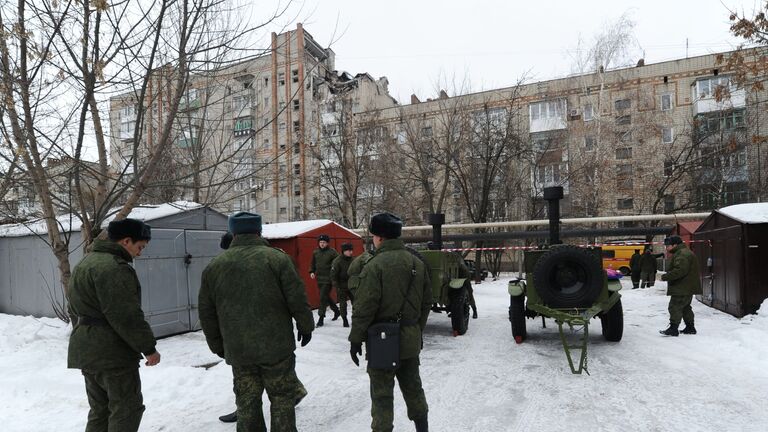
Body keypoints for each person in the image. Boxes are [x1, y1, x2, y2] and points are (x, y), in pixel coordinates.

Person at [199, 212, 315, 431]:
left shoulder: (214, 266)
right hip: (277, 348)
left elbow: (207, 312)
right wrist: (306, 325)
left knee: (247, 403)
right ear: (259, 231)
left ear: (232, 233)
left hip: (238, 350)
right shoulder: (278, 259)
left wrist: (218, 346)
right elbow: (297, 298)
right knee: (282, 399)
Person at [67, 218, 160, 432]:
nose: (140, 252)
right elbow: (126, 315)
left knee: (100, 410)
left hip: (86, 349)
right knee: (126, 409)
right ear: (126, 241)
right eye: (140, 246)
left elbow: (74, 306)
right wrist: (149, 348)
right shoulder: (114, 268)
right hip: (112, 353)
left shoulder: (85, 262)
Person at [349, 212, 431, 432]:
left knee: (382, 396)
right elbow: (426, 303)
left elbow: (364, 308)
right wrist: (415, 329)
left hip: (382, 341)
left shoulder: (374, 265)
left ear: (380, 238)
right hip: (410, 339)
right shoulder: (417, 262)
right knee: (414, 388)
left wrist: (355, 339)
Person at [659, 235, 702, 336]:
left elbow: (680, 270)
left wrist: (665, 277)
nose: (666, 248)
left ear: (675, 245)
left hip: (682, 287)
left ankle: (673, 329)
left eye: (668, 246)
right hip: (687, 286)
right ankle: (690, 327)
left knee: (675, 306)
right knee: (685, 307)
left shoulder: (682, 254)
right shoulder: (683, 252)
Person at [310, 234, 340, 327]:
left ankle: (321, 318)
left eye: (324, 242)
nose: (322, 244)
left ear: (327, 243)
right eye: (320, 242)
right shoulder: (316, 252)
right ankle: (336, 311)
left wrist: (334, 272)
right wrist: (312, 271)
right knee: (325, 296)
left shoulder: (332, 252)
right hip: (319, 278)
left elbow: (337, 263)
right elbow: (313, 263)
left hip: (328, 278)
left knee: (323, 297)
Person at [330, 242, 355, 327]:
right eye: (348, 250)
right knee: (343, 304)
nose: (351, 252)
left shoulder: (353, 260)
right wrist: (337, 286)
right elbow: (333, 275)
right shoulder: (337, 261)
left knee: (356, 303)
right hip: (341, 286)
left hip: (352, 285)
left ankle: (355, 318)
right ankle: (344, 319)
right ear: (343, 251)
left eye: (351, 250)